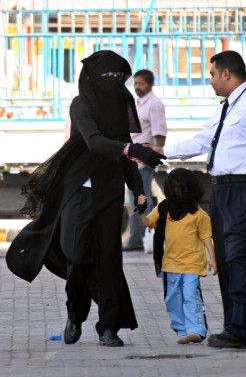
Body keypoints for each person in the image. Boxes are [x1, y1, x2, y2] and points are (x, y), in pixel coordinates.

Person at [6, 50, 165, 347]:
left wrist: (139, 190)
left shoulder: (119, 105)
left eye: (120, 78)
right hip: (78, 191)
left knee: (109, 260)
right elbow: (94, 141)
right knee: (76, 257)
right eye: (109, 77)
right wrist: (130, 150)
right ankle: (75, 314)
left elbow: (124, 152)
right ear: (93, 78)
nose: (115, 82)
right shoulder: (80, 104)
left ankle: (108, 326)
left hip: (110, 193)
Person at [146, 50, 246, 349]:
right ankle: (235, 327)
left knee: (238, 258)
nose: (209, 80)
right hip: (223, 189)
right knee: (226, 257)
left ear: (226, 74)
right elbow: (201, 141)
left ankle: (244, 331)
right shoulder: (227, 108)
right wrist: (158, 152)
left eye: (211, 74)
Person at [136, 168, 217, 344]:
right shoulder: (163, 209)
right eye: (175, 188)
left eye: (183, 188)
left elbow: (206, 237)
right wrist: (140, 211)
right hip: (169, 264)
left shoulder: (199, 214)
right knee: (172, 299)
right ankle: (182, 331)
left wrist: (212, 258)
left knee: (190, 294)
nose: (179, 192)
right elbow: (148, 223)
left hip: (192, 264)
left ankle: (196, 330)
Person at [123, 69, 167, 252]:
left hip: (144, 161)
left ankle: (138, 240)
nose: (138, 87)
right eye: (136, 83)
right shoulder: (140, 103)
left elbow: (159, 133)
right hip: (134, 159)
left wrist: (154, 156)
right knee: (136, 198)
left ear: (150, 84)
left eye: (141, 83)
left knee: (140, 199)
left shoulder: (154, 104)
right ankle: (138, 239)